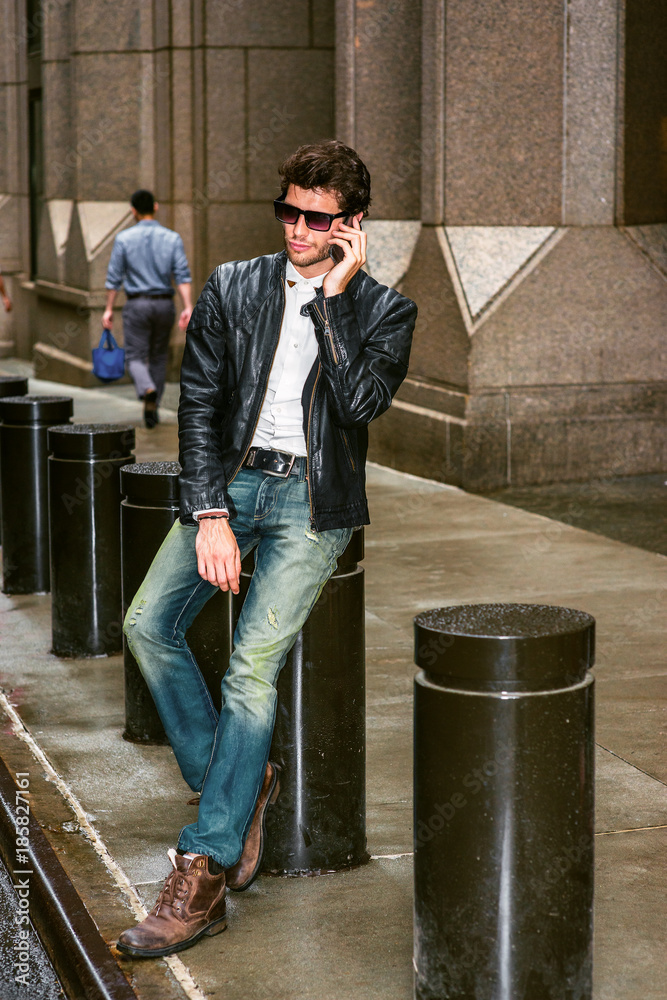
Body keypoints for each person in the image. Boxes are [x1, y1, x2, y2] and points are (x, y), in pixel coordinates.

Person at [116, 140, 417, 959]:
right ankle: (241, 783)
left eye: (316, 219)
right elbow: (202, 403)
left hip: (312, 507)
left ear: (350, 226)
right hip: (236, 484)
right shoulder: (233, 285)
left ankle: (203, 871)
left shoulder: (386, 311)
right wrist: (209, 510)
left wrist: (335, 299)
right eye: (287, 210)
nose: (295, 228)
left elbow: (357, 404)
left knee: (251, 668)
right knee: (147, 624)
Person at [103, 190, 193, 427]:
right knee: (159, 357)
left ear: (133, 211)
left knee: (134, 357)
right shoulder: (172, 238)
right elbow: (182, 275)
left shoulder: (123, 239)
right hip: (165, 304)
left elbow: (113, 278)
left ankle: (147, 389)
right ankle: (152, 405)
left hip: (137, 304)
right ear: (155, 206)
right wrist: (187, 306)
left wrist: (109, 308)